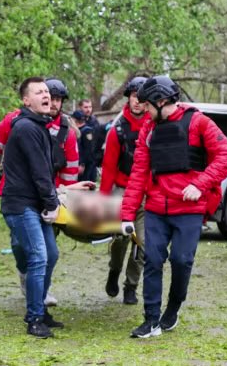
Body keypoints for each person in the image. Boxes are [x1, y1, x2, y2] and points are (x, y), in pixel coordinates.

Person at [120, 75, 227, 338]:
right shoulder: (148, 130)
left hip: (189, 210)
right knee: (152, 260)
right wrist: (127, 214)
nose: (144, 111)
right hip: (156, 209)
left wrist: (200, 184)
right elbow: (138, 173)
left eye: (147, 105)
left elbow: (226, 155)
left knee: (182, 261)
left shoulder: (199, 122)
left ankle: (172, 309)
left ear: (161, 101)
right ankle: (150, 320)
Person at [0, 78, 79, 306]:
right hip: (18, 192)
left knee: (48, 252)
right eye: (47, 96)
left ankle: (42, 290)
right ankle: (26, 277)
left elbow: (71, 170)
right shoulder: (16, 121)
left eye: (56, 99)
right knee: (19, 244)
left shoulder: (67, 133)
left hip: (48, 197)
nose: (52, 102)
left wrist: (64, 197)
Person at [0, 77, 63, 339]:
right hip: (20, 204)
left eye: (47, 91)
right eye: (39, 92)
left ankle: (39, 311)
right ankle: (35, 318)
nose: (46, 95)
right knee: (38, 257)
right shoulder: (26, 127)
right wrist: (52, 204)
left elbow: (45, 171)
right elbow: (39, 172)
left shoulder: (40, 126)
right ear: (26, 101)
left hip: (35, 203)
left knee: (51, 254)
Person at [100, 77, 149, 305]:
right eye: (133, 96)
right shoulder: (117, 130)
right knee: (121, 238)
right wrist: (103, 199)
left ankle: (131, 285)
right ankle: (114, 271)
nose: (137, 102)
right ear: (128, 98)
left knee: (144, 244)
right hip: (122, 191)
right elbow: (109, 168)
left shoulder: (156, 128)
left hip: (147, 194)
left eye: (142, 97)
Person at [72, 110, 97, 182]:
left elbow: (88, 151)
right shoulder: (78, 130)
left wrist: (82, 164)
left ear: (75, 120)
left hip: (87, 167)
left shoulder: (86, 131)